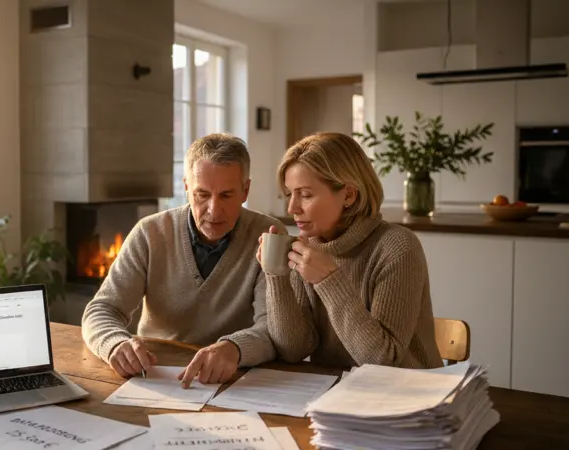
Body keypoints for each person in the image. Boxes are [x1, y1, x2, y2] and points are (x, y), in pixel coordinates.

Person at [82, 133, 284, 387]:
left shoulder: (270, 236)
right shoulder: (149, 233)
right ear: (187, 187)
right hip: (154, 375)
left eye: (226, 195)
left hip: (234, 377)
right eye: (202, 194)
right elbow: (103, 309)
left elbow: (274, 327)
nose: (213, 210)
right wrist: (115, 344)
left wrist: (235, 348)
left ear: (245, 191)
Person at [257, 132, 442, 369]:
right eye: (289, 194)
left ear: (348, 195)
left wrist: (328, 280)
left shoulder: (397, 247)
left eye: (305, 195)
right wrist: (276, 275)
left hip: (409, 387)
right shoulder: (307, 248)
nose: (292, 208)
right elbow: (293, 350)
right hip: (336, 388)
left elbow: (383, 361)